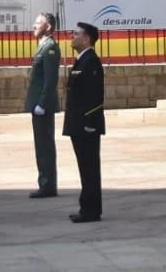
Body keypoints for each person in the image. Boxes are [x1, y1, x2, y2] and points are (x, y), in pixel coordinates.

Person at [63, 21, 105, 223]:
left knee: (90, 169)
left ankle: (91, 210)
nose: (72, 37)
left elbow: (94, 95)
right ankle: (86, 207)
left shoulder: (91, 62)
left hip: (87, 125)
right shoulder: (82, 60)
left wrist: (89, 122)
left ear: (86, 39)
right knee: (84, 168)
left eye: (76, 34)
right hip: (78, 124)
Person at [25, 11, 61, 198]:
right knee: (41, 145)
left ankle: (48, 185)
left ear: (48, 27)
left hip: (43, 106)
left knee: (45, 146)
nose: (34, 25)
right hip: (39, 105)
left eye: (38, 23)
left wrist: (42, 103)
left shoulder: (50, 48)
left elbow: (50, 80)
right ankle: (45, 182)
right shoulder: (43, 46)